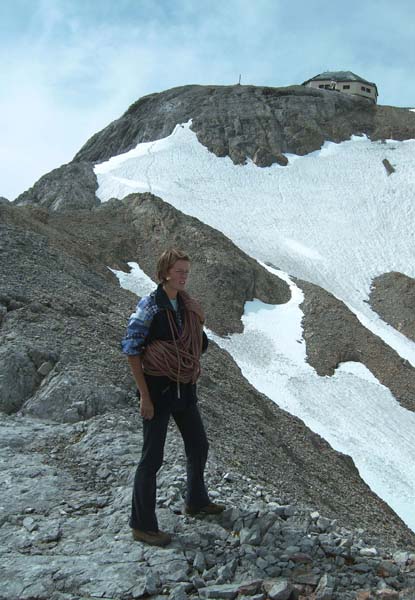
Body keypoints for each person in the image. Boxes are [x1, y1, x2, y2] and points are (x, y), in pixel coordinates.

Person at [121, 248, 225, 546]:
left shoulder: (186, 305)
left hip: (184, 388)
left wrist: (199, 327)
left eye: (186, 272)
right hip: (158, 390)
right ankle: (142, 525)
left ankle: (196, 500)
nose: (184, 277)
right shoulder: (150, 306)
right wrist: (144, 397)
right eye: (179, 271)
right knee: (152, 458)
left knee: (198, 444)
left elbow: (198, 345)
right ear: (165, 272)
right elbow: (131, 349)